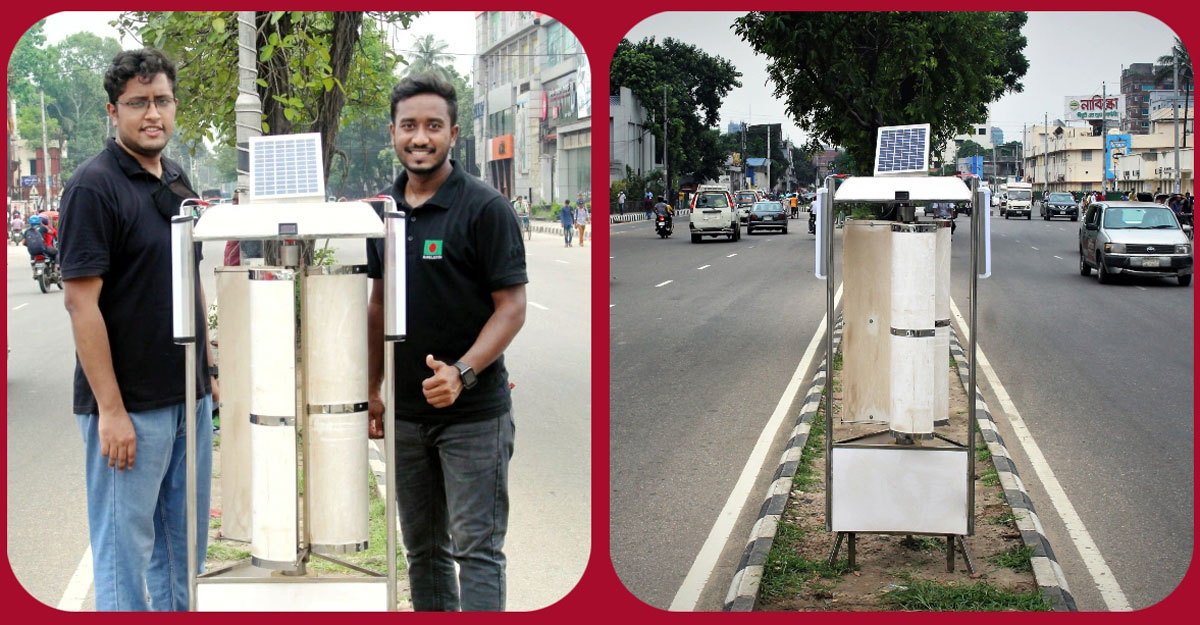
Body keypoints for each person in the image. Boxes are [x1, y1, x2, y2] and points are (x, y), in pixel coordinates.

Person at [57, 47, 216, 611]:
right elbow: (81, 304)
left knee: (183, 550)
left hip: (188, 401)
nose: (153, 114)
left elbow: (186, 272)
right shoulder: (93, 187)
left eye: (163, 101)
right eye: (138, 103)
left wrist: (207, 368)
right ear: (113, 111)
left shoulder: (176, 177)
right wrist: (112, 411)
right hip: (131, 410)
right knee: (125, 557)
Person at [365, 72, 526, 612]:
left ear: (453, 133)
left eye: (433, 126)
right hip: (406, 418)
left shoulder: (485, 208)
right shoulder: (380, 214)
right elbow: (378, 303)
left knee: (477, 550)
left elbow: (512, 308)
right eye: (409, 125)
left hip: (475, 416)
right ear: (393, 132)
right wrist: (373, 389)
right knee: (423, 551)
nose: (420, 137)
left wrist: (463, 372)